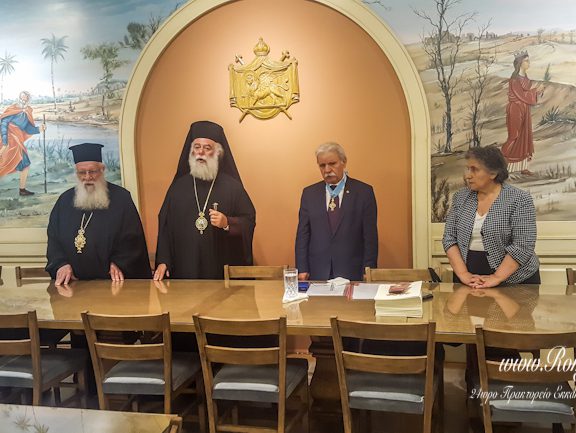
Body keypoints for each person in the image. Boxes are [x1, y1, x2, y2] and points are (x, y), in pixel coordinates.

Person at [154, 121, 256, 280]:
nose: (200, 152)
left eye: (207, 148)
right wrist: (163, 260)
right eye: (197, 147)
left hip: (221, 273)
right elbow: (165, 226)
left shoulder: (232, 187)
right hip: (185, 271)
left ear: (218, 152)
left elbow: (248, 220)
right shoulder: (178, 188)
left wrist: (227, 223)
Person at [45, 142, 151, 285]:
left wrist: (119, 263)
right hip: (73, 285)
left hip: (113, 283)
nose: (87, 177)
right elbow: (54, 240)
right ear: (76, 173)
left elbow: (133, 240)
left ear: (102, 170)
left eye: (93, 171)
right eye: (82, 172)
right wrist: (61, 264)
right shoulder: (64, 201)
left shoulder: (121, 198)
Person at [442, 146, 540, 289]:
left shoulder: (519, 199)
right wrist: (463, 274)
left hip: (516, 280)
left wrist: (496, 277)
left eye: (474, 170)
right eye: (468, 169)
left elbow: (522, 245)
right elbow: (449, 238)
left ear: (493, 173)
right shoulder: (460, 197)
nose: (468, 175)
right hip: (470, 279)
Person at [295, 142, 378, 281]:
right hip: (318, 271)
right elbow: (303, 234)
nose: (327, 170)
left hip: (352, 271)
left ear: (344, 162)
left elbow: (370, 237)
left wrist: (368, 270)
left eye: (332, 163)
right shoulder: (309, 193)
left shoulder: (364, 192)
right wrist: (302, 268)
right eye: (322, 165)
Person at [501, 51, 542, 175]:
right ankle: (502, 163)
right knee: (514, 136)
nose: (529, 63)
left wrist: (536, 92)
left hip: (524, 109)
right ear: (520, 63)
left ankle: (523, 167)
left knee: (524, 136)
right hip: (516, 109)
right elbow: (522, 95)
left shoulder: (525, 77)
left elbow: (525, 95)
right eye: (526, 61)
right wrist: (536, 91)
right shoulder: (514, 80)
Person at [0, 91, 46, 196]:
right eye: (22, 98)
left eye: (25, 98)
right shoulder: (13, 109)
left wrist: (39, 129)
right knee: (3, 164)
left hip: (17, 142)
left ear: (28, 99)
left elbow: (28, 128)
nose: (23, 100)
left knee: (25, 164)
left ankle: (22, 190)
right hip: (7, 141)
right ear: (19, 98)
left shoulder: (27, 112)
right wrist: (5, 143)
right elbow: (3, 124)